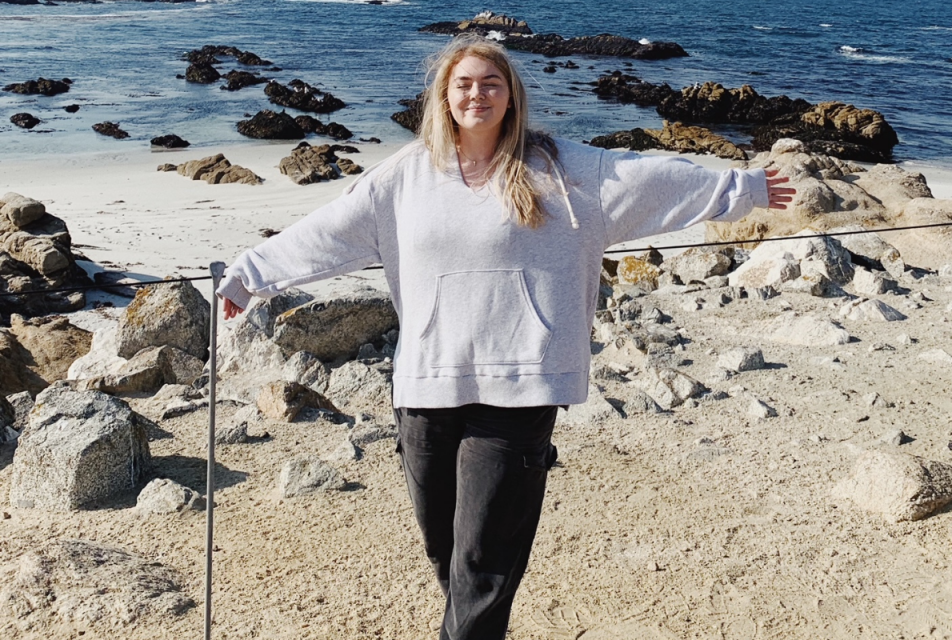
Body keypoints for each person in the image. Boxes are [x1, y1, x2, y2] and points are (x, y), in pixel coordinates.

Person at [217, 34, 793, 640]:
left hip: (520, 387)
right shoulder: (403, 178)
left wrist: (741, 190)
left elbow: (650, 178)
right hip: (427, 387)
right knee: (448, 557)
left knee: (482, 566)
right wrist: (250, 275)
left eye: (490, 84)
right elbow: (326, 231)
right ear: (443, 96)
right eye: (464, 84)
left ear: (511, 96)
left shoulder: (568, 172)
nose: (477, 94)